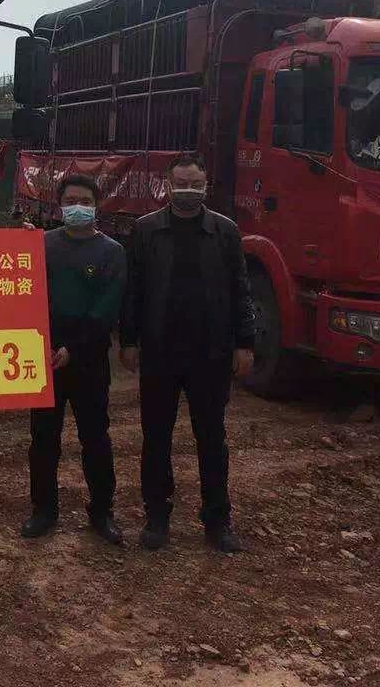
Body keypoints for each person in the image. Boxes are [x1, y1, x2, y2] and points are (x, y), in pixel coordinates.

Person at [120, 152, 255, 554]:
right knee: (156, 438)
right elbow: (133, 291)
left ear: (206, 185)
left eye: (196, 184)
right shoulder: (146, 230)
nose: (188, 191)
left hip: (210, 353)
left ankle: (217, 521)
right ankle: (156, 518)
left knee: (212, 438)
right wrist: (128, 341)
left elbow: (241, 290)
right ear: (167, 184)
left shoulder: (225, 232)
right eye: (181, 183)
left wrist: (245, 343)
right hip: (160, 350)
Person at [22, 173, 127, 544]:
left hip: (88, 360)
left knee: (95, 437)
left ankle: (102, 512)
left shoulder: (111, 252)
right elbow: (22, 292)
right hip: (45, 357)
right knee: (43, 438)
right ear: (59, 206)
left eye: (84, 201)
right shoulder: (42, 244)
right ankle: (43, 510)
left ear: (97, 206)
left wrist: (74, 349)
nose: (77, 207)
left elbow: (105, 311)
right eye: (70, 201)